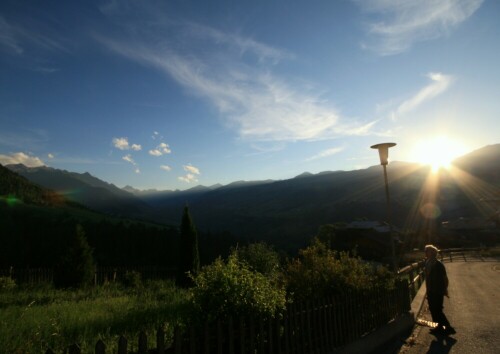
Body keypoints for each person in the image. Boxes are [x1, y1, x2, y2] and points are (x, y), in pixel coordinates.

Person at [424, 244, 456, 335]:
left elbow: (445, 278)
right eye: (425, 251)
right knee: (433, 309)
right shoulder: (427, 262)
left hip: (437, 290)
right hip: (430, 289)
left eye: (427, 251)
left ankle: (448, 328)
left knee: (437, 309)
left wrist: (445, 289)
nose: (426, 252)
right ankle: (438, 327)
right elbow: (427, 278)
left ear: (433, 252)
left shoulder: (438, 264)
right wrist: (427, 290)